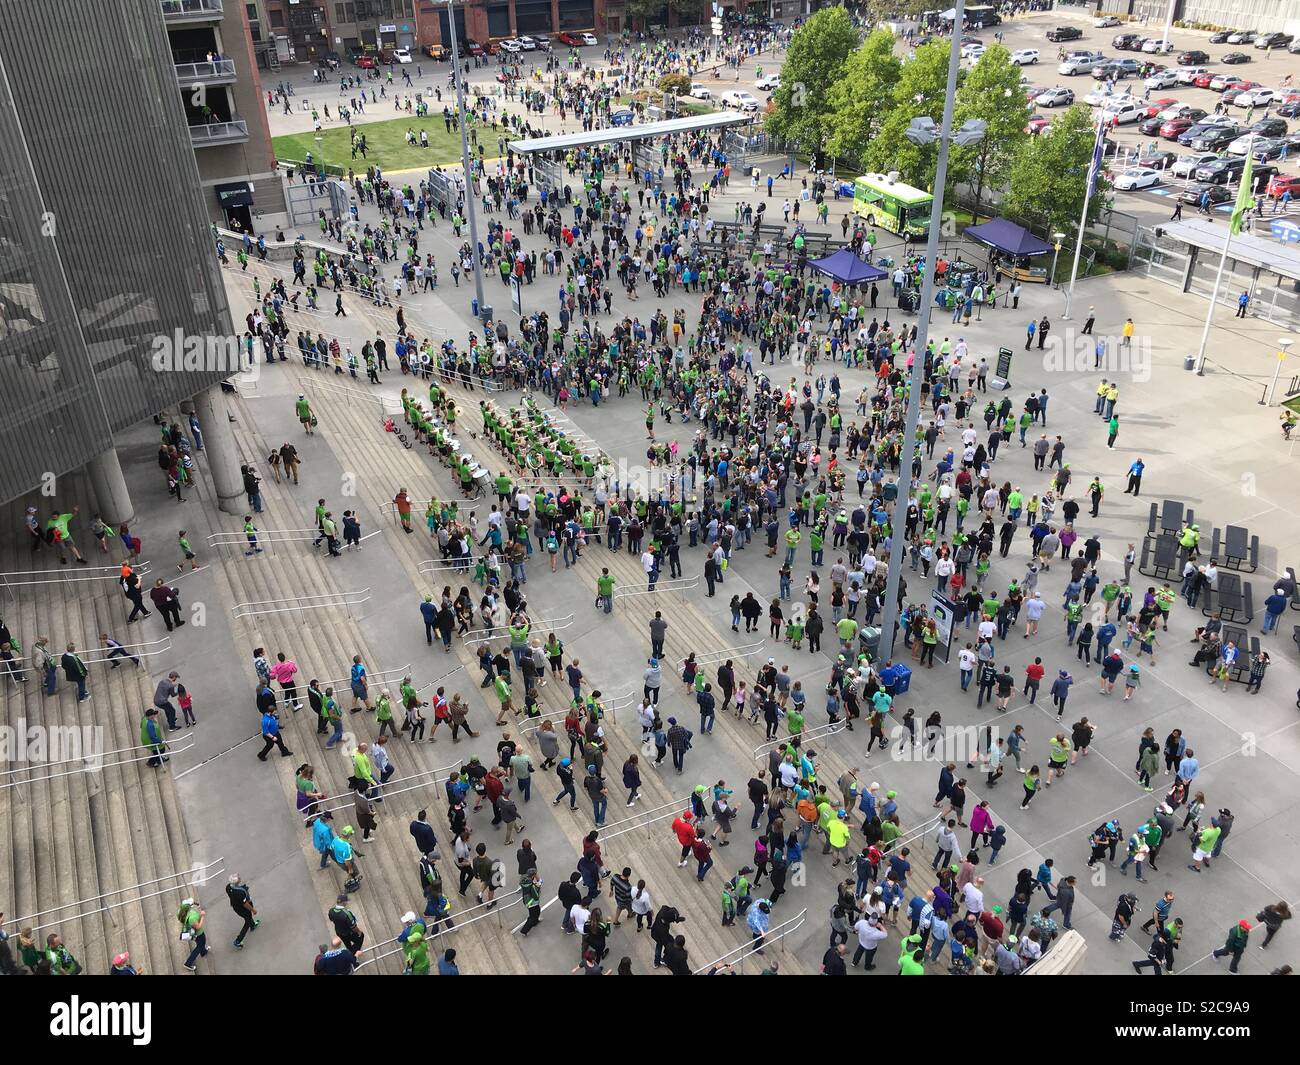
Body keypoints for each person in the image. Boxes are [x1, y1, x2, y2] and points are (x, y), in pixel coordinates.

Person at [226, 874, 260, 949]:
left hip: (236, 907)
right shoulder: (239, 893)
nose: (239, 878)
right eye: (238, 878)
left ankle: (253, 925)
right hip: (242, 909)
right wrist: (253, 910)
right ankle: (238, 940)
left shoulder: (228, 887)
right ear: (236, 882)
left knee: (248, 918)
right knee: (247, 921)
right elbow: (245, 904)